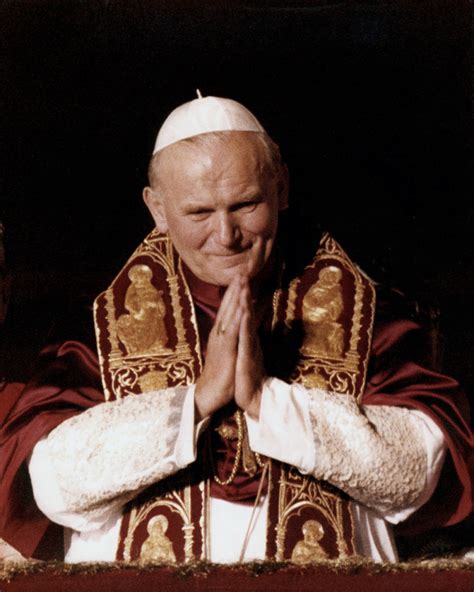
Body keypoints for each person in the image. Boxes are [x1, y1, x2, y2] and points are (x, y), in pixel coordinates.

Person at [0, 94, 471, 564]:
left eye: (245, 205)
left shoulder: (371, 316)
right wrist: (196, 402)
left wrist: (268, 400)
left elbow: (419, 473)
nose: (226, 236)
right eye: (199, 213)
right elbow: (51, 486)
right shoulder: (95, 329)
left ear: (281, 188)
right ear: (158, 209)